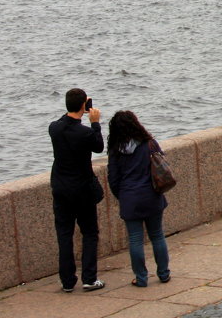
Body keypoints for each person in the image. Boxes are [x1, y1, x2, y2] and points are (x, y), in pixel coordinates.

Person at [49, 88, 105, 293]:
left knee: (64, 234)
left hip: (60, 189)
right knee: (89, 232)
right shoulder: (85, 132)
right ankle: (89, 278)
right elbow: (98, 147)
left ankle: (67, 281)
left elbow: (65, 122)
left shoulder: (54, 128)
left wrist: (79, 108)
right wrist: (95, 122)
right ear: (84, 106)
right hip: (82, 190)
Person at [107, 111, 171, 288]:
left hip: (129, 198)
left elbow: (113, 179)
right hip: (152, 195)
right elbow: (162, 165)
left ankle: (141, 278)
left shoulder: (115, 150)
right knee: (157, 235)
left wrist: (123, 196)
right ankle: (164, 273)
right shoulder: (149, 144)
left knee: (135, 240)